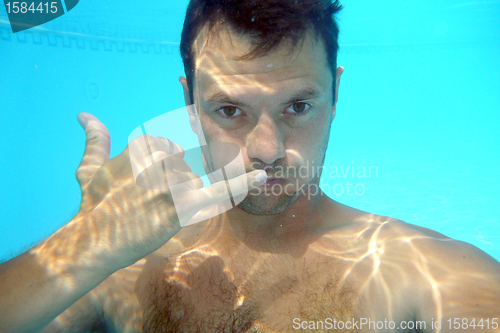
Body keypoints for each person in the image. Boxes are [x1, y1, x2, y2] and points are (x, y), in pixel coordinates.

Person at [1, 0, 499, 332]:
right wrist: (87, 240)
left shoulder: (420, 269)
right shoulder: (128, 259)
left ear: (336, 95)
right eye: (231, 110)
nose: (268, 149)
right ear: (190, 109)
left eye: (298, 106)